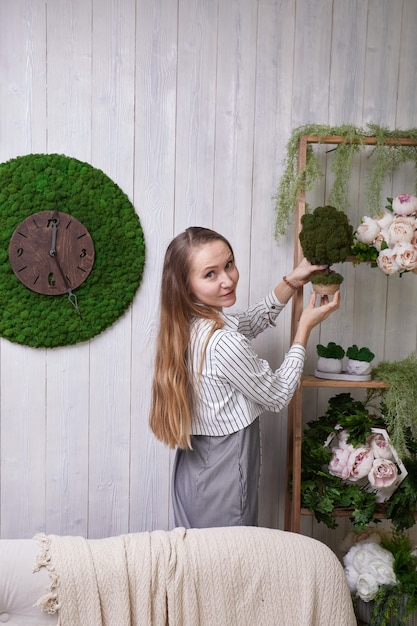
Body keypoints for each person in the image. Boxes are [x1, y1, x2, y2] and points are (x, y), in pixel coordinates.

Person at [149, 226, 340, 528]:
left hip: (195, 469)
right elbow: (278, 395)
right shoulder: (223, 342)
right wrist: (303, 329)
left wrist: (292, 281)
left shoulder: (184, 322)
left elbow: (247, 323)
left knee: (201, 561)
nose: (227, 279)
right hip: (224, 471)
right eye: (210, 274)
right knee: (229, 562)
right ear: (185, 285)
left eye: (229, 264)